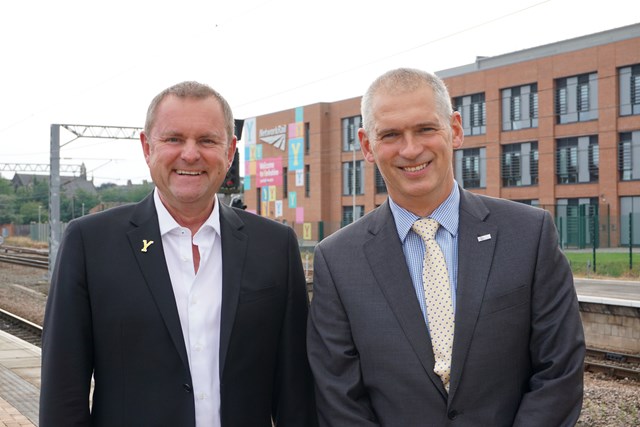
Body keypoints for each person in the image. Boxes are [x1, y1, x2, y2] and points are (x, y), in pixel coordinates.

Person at [307, 68, 585, 426]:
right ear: (366, 145)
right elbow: (338, 395)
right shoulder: (337, 259)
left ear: (454, 129)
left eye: (425, 129)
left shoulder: (529, 234)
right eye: (391, 134)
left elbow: (559, 370)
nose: (411, 149)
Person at [40, 81, 317, 427]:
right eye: (173, 139)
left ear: (230, 151)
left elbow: (296, 394)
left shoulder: (275, 246)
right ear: (147, 147)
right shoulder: (89, 243)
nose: (190, 154)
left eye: (207, 140)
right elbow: (63, 390)